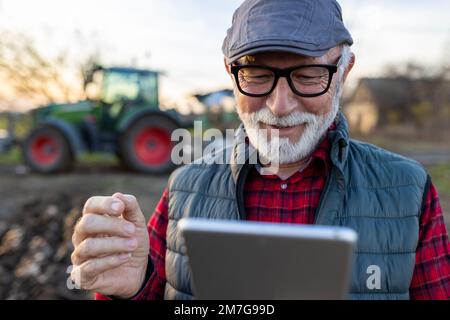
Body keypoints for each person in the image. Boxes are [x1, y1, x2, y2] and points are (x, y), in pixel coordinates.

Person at [70, 0, 450, 300]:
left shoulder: (408, 190)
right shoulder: (184, 186)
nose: (279, 106)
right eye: (256, 75)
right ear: (231, 74)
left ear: (345, 71)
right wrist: (132, 288)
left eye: (307, 75)